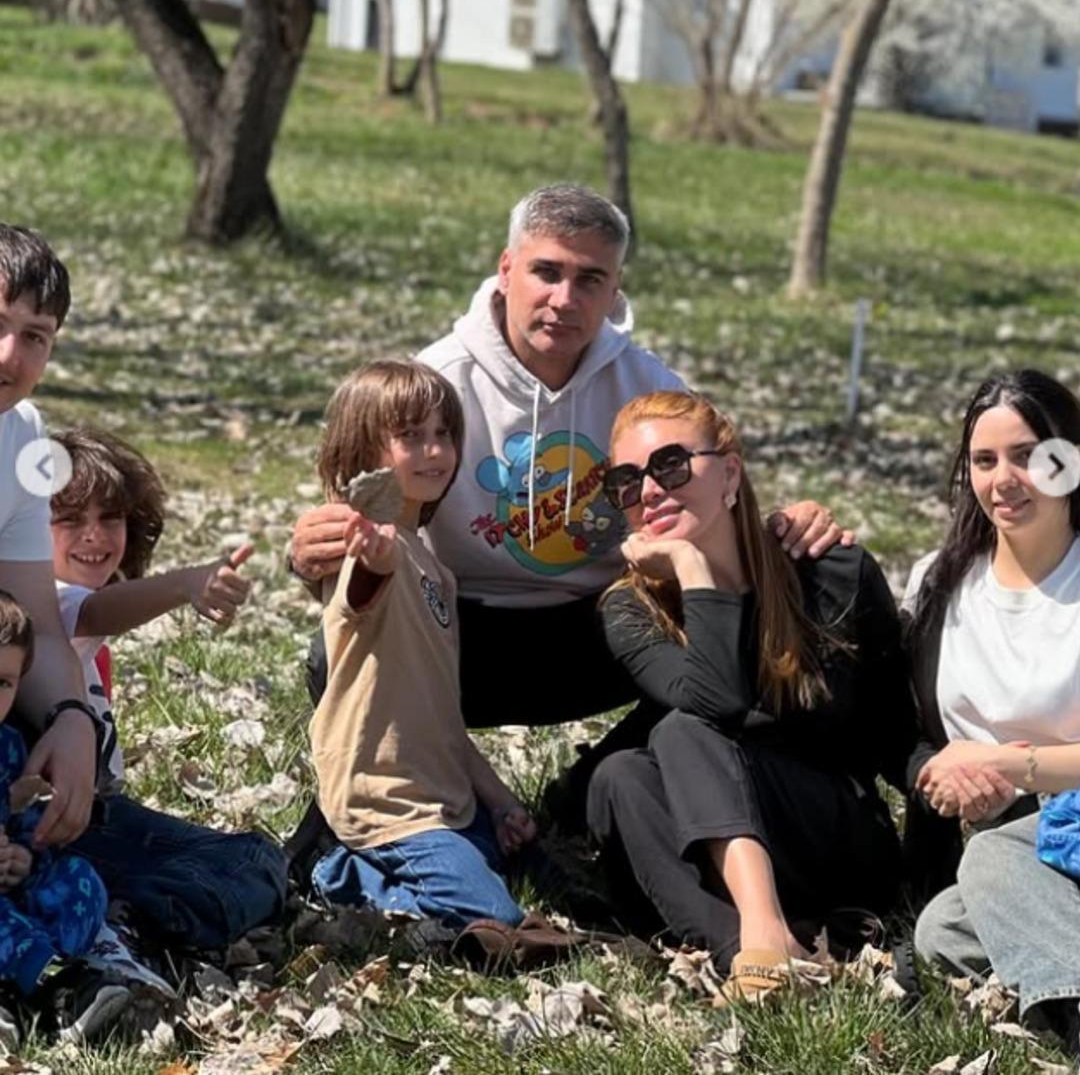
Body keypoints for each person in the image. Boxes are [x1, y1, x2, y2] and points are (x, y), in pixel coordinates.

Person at [289, 185, 847, 739]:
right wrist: (311, 551)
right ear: (507, 269)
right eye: (547, 272)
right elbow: (365, 527)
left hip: (609, 621)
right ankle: (406, 799)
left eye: (590, 280)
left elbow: (719, 503)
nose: (564, 299)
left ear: (616, 292)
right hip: (459, 621)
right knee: (333, 655)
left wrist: (787, 521)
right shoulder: (435, 384)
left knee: (751, 618)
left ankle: (604, 788)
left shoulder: (648, 388)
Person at [585, 390, 915, 989]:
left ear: (730, 472)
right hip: (718, 840)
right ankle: (753, 951)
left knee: (682, 729)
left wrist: (935, 873)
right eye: (627, 482)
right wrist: (692, 570)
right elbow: (717, 695)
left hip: (836, 841)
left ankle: (762, 935)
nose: (651, 491)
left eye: (671, 465)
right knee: (618, 777)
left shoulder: (830, 572)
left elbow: (900, 728)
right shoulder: (630, 609)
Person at [309, 359, 537, 929]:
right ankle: (336, 874)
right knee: (491, 917)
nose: (434, 451)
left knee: (524, 863)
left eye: (443, 435)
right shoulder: (364, 552)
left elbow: (444, 719)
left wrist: (501, 798)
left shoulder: (437, 571)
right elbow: (364, 585)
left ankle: (402, 865)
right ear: (365, 450)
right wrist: (374, 555)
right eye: (411, 437)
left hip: (443, 799)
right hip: (386, 802)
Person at [46, 427, 289, 955]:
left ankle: (127, 918)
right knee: (246, 868)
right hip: (50, 829)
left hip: (103, 813)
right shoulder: (41, 608)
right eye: (68, 521)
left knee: (259, 859)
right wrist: (183, 584)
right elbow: (91, 611)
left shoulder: (89, 633)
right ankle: (124, 929)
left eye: (110, 518)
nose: (94, 536)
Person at [906, 370, 1080, 1050]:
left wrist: (1011, 766)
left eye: (1030, 455)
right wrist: (951, 783)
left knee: (989, 868)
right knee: (942, 931)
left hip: (1058, 821)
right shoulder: (940, 583)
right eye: (985, 460)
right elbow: (914, 738)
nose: (1005, 478)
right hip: (1026, 851)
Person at [0, 224, 99, 850]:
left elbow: (35, 620)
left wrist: (73, 720)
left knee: (241, 871)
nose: (9, 355)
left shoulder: (23, 438)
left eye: (33, 337)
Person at [0, 590, 130, 1043]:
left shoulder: (10, 746)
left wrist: (22, 856)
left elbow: (19, 820)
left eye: (3, 684)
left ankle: (25, 987)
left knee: (78, 880)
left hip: (10, 893)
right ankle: (57, 989)